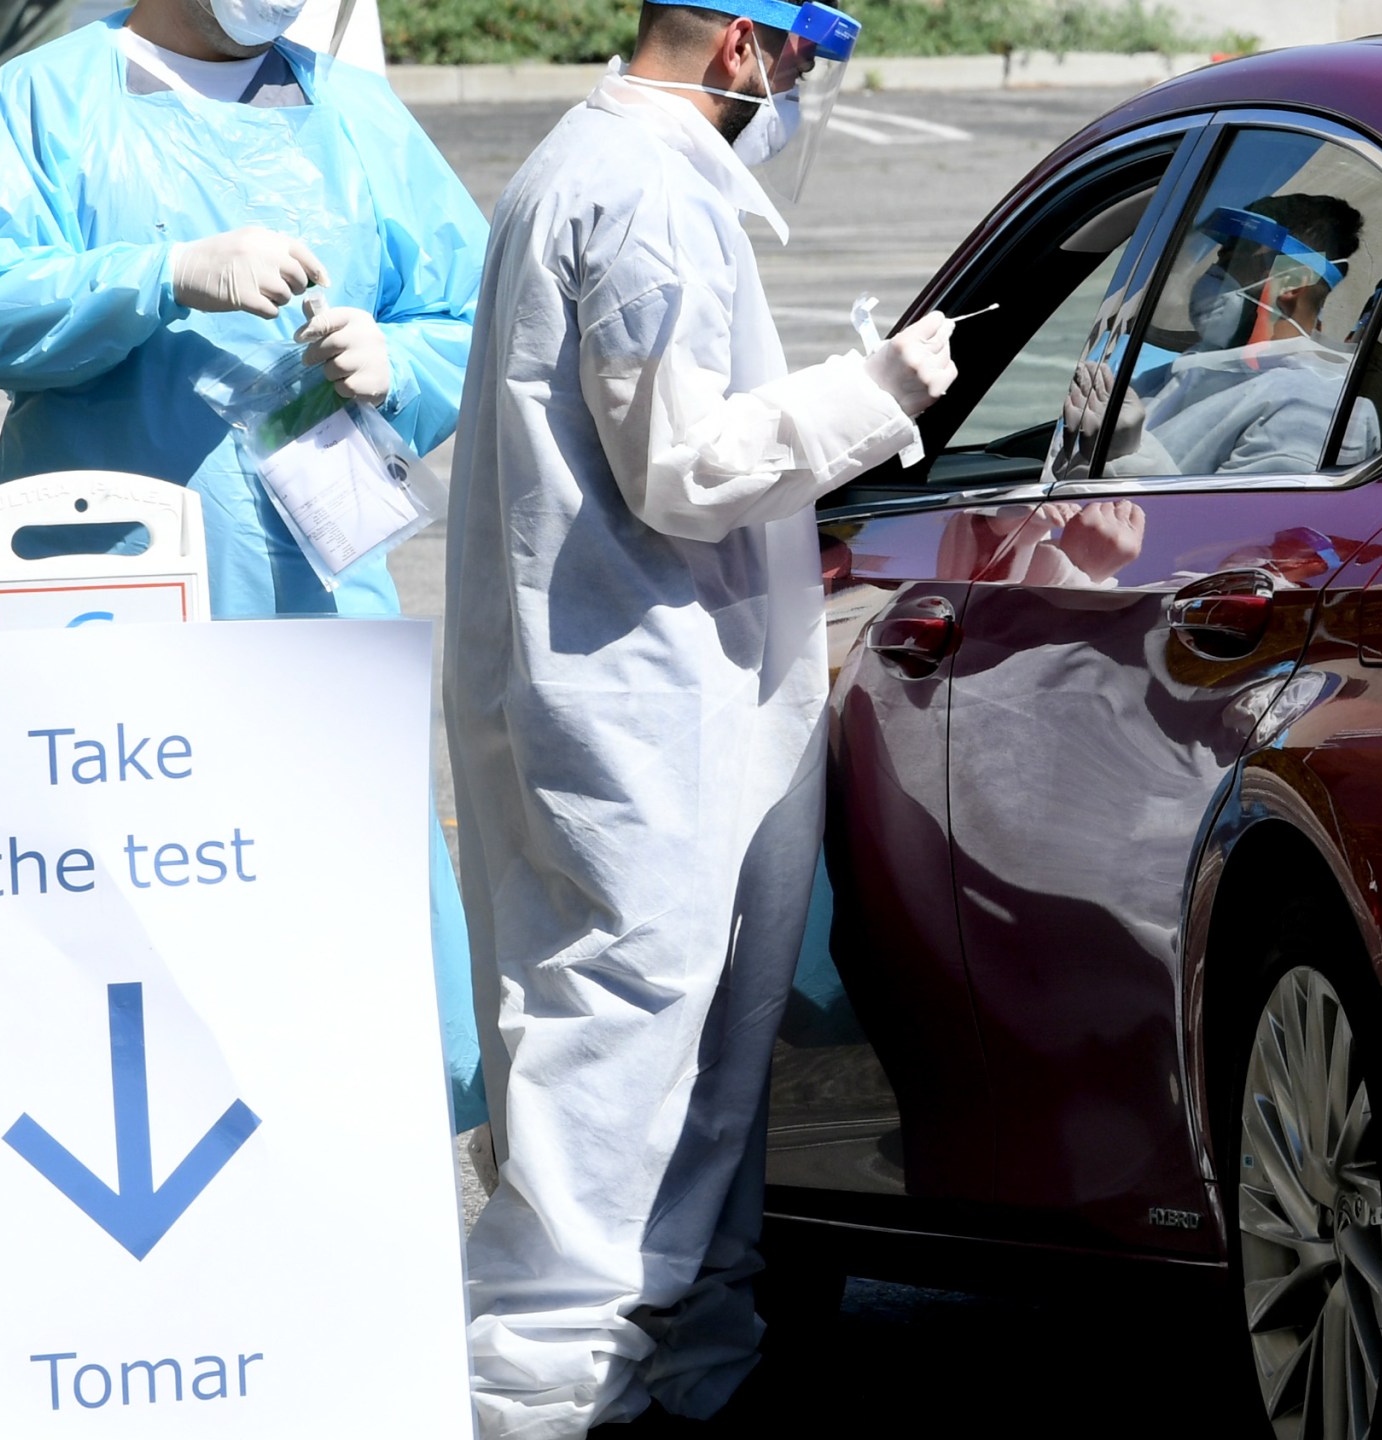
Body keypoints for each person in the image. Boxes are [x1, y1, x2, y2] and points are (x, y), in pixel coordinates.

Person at [440, 2, 956, 1433]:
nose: (798, 92)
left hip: (671, 685)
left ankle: (678, 1371)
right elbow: (682, 464)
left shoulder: (611, 172)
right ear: (740, 46)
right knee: (614, 1047)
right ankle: (536, 1393)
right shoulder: (640, 196)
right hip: (626, 700)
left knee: (707, 1054)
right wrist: (880, 394)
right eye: (797, 59)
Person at [0, 0, 488, 1120]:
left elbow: (472, 311)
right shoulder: (52, 98)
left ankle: (348, 1160)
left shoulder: (355, 113)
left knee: (322, 879)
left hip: (310, 583)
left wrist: (400, 357)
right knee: (96, 895)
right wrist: (158, 273)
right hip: (97, 583)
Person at [1071, 192, 1382, 479]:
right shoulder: (1175, 374)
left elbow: (1241, 532)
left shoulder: (1313, 410)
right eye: (1220, 259)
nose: (1212, 277)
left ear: (1293, 283)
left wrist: (1124, 457)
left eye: (1231, 261)